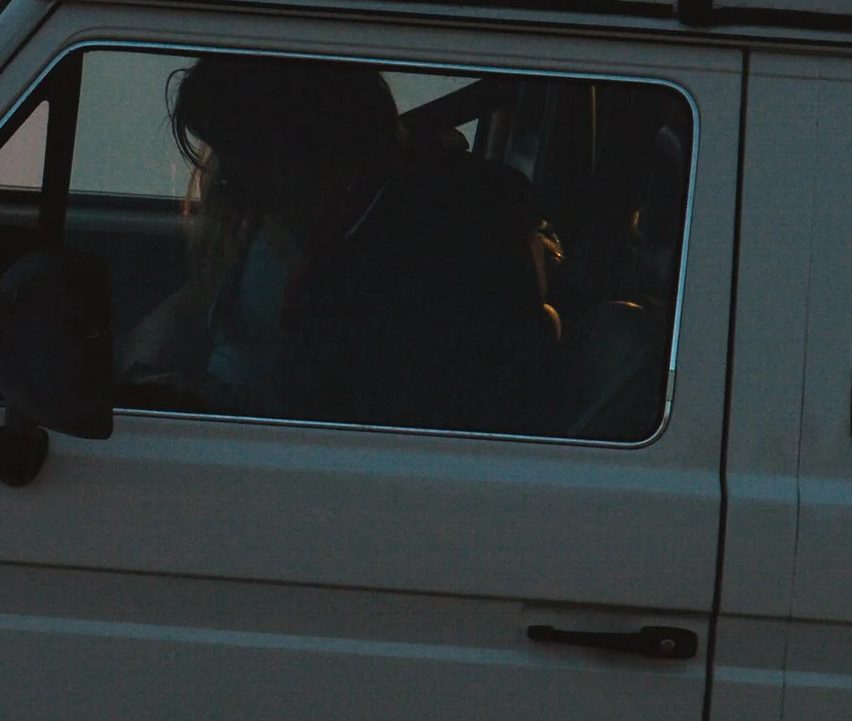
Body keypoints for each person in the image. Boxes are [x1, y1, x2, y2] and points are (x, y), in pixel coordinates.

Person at [141, 54, 558, 435]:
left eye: (235, 176)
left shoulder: (424, 265)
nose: (230, 198)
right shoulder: (355, 220)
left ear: (285, 161)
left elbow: (325, 425)